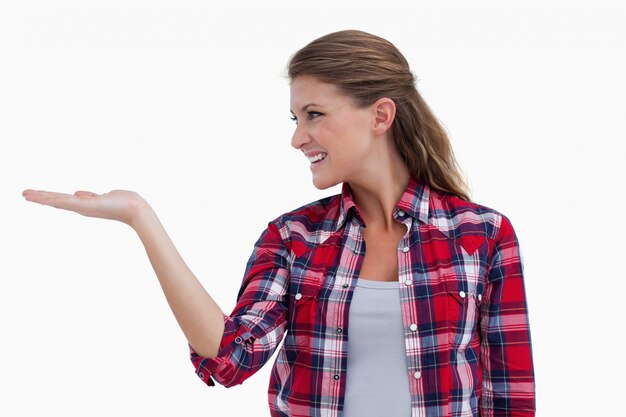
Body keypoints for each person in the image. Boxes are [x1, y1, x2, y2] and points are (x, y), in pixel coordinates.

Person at [22, 29, 535, 417]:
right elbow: (230, 357)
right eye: (296, 119)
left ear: (380, 116)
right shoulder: (294, 239)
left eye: (314, 114)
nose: (298, 139)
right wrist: (142, 218)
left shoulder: (483, 235)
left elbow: (510, 398)